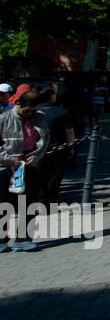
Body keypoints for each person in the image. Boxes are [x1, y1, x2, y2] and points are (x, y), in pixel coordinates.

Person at [1, 90, 51, 250]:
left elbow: (45, 139)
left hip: (30, 164)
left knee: (29, 203)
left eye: (33, 111)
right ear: (17, 104)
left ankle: (23, 239)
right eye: (26, 111)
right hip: (7, 165)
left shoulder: (40, 117)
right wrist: (9, 160)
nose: (29, 114)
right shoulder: (3, 119)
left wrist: (36, 157)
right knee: (3, 204)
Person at [36, 85, 75, 206]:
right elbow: (69, 132)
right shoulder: (62, 112)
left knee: (39, 177)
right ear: (52, 97)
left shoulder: (35, 112)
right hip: (57, 149)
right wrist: (71, 147)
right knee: (54, 177)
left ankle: (39, 202)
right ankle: (50, 203)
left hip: (38, 149)